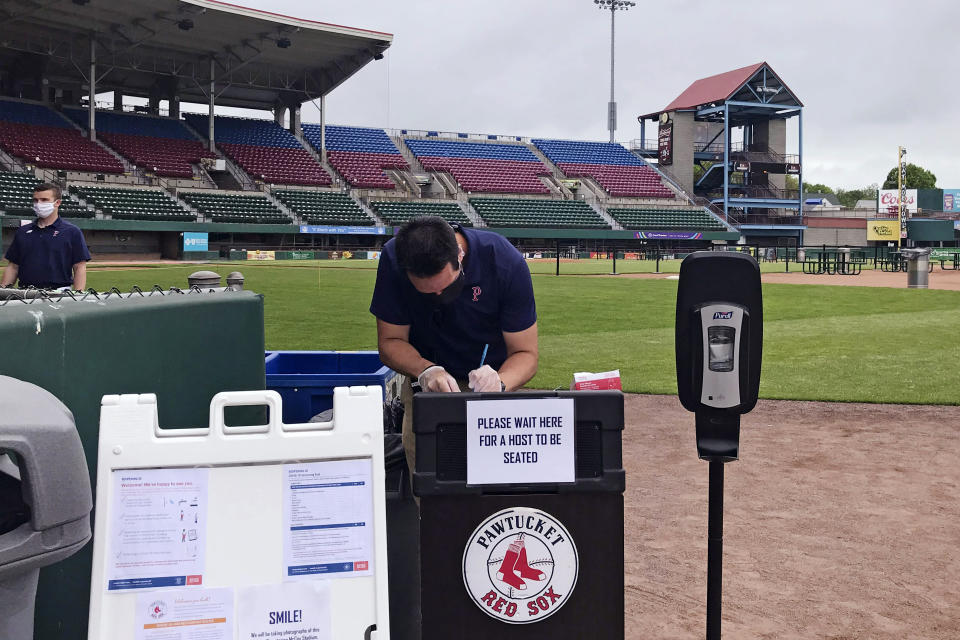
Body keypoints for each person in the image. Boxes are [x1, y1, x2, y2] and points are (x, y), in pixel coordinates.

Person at [370, 216, 538, 476]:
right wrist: (427, 371)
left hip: (491, 381)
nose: (439, 297)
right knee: (430, 481)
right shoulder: (393, 259)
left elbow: (525, 353)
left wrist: (500, 382)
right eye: (427, 292)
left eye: (447, 288)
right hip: (426, 386)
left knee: (495, 479)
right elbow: (390, 342)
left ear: (459, 254)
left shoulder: (504, 261)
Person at [1, 183, 90, 291]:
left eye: (44, 200)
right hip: (25, 293)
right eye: (36, 200)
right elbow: (13, 267)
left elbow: (79, 267)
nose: (39, 204)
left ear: (57, 202)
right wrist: (3, 292)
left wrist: (77, 296)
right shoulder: (22, 232)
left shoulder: (72, 232)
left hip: (59, 294)